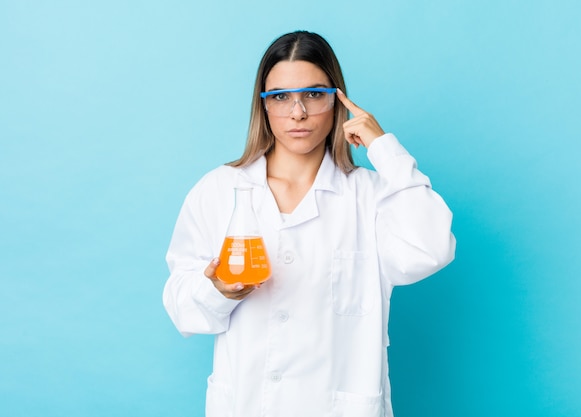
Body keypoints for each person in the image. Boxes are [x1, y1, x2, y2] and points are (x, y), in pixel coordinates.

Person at [163, 30, 456, 417]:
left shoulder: (369, 195)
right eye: (281, 97)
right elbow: (182, 307)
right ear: (263, 106)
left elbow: (431, 249)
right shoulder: (220, 189)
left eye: (315, 95)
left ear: (338, 101)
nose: (298, 112)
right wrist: (217, 290)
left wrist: (384, 147)